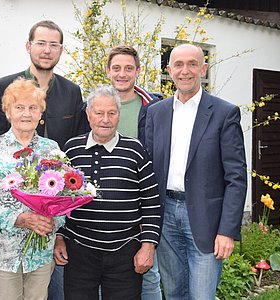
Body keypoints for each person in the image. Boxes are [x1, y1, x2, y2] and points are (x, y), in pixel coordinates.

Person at [145, 43, 247, 299]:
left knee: (202, 295)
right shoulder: (156, 112)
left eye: (192, 64)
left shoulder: (224, 113)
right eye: (178, 64)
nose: (185, 71)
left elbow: (236, 177)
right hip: (166, 215)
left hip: (206, 220)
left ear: (203, 69)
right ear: (169, 70)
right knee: (174, 293)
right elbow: (148, 170)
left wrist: (227, 230)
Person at [54, 85, 162, 299]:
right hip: (79, 252)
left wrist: (148, 246)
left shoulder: (135, 150)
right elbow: (58, 201)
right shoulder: (70, 150)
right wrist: (59, 238)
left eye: (111, 113)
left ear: (118, 115)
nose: (105, 119)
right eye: (99, 113)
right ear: (88, 114)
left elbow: (151, 203)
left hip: (125, 252)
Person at [0, 78, 65, 300]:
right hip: (2, 255)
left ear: (41, 113)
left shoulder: (52, 150)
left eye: (33, 108)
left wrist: (54, 222)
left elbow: (64, 201)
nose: (26, 114)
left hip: (40, 255)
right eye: (19, 107)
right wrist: (20, 219)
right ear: (8, 112)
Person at [104, 45, 162, 299]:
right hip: (105, 209)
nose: (122, 74)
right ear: (108, 71)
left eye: (129, 68)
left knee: (148, 273)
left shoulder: (155, 108)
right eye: (116, 68)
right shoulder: (94, 106)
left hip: (143, 203)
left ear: (138, 71)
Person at [0, 19, 85, 150]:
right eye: (41, 43)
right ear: (28, 46)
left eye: (54, 45)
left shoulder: (72, 91)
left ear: (61, 51)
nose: (47, 50)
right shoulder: (3, 87)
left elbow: (77, 141)